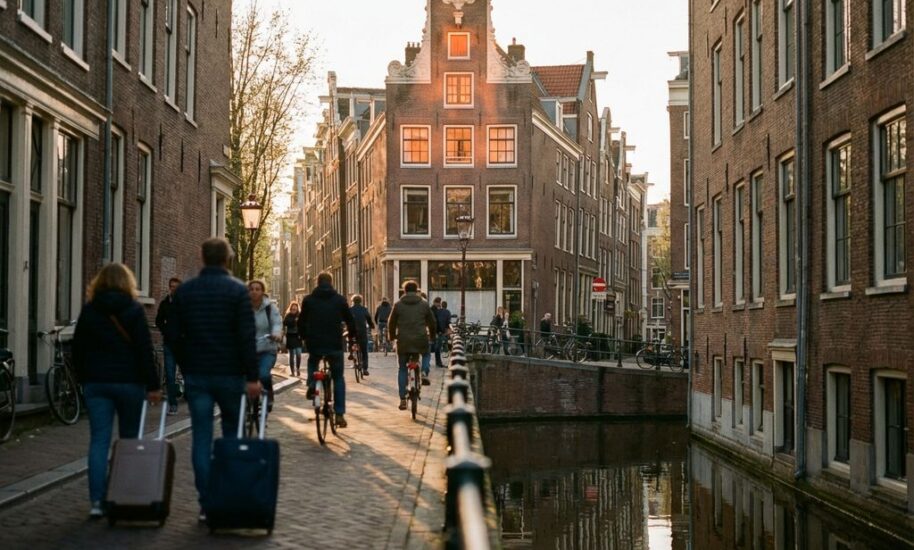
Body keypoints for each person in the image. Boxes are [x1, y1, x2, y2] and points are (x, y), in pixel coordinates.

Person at [164, 238, 260, 523]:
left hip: (198, 377)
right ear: (227, 258)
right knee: (232, 435)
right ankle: (228, 497)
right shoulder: (237, 291)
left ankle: (206, 502)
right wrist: (252, 376)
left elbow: (174, 336)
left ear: (202, 257)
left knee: (201, 438)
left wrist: (186, 364)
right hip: (230, 376)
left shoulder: (186, 292)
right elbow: (246, 337)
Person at [71, 262, 162, 519]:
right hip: (129, 383)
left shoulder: (90, 311)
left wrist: (83, 379)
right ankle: (124, 496)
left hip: (97, 383)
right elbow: (144, 350)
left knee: (99, 441)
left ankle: (97, 502)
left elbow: (78, 349)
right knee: (129, 441)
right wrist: (153, 385)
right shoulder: (134, 310)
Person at [298, 272, 357, 428]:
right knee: (338, 378)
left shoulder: (308, 300)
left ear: (317, 283)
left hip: (314, 343)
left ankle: (312, 383)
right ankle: (339, 414)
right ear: (331, 283)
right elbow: (350, 321)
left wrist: (304, 337)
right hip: (334, 344)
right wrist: (351, 338)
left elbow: (301, 322)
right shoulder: (340, 300)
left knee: (313, 361)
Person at [388, 281, 437, 410]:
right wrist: (432, 336)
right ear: (417, 291)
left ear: (404, 291)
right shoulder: (424, 304)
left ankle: (403, 398)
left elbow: (391, 323)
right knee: (426, 354)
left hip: (403, 341)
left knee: (402, 369)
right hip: (420, 340)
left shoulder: (398, 305)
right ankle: (425, 371)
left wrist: (392, 337)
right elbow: (432, 323)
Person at [249, 279, 282, 411]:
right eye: (251, 289)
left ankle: (269, 396)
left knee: (263, 374)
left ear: (262, 292)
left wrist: (276, 333)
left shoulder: (270, 308)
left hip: (267, 348)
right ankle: (245, 405)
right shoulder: (243, 307)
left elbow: (277, 322)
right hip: (249, 350)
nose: (254, 292)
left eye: (258, 289)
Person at [154, 277, 182, 415]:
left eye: (176, 287)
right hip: (169, 345)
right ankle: (173, 405)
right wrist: (166, 330)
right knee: (170, 376)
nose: (173, 289)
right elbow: (158, 320)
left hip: (183, 346)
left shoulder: (186, 303)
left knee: (189, 376)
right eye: (172, 286)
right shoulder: (165, 303)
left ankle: (193, 402)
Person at [349, 294, 375, 376]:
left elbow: (344, 319)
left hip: (353, 332)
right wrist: (372, 326)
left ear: (352, 301)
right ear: (361, 301)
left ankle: (351, 352)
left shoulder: (349, 310)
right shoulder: (364, 309)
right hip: (362, 332)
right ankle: (365, 369)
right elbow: (369, 319)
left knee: (350, 340)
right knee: (364, 351)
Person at [283, 302, 303, 377]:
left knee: (298, 354)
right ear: (291, 308)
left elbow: (303, 325)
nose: (294, 309)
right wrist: (294, 321)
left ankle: (297, 368)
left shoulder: (300, 315)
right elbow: (285, 323)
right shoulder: (288, 316)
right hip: (291, 337)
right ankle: (292, 372)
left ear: (297, 308)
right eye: (293, 308)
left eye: (295, 307)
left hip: (298, 337)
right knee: (292, 355)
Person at [434, 300, 452, 367]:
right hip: (443, 331)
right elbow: (448, 322)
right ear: (446, 306)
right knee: (440, 346)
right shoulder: (448, 312)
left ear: (441, 305)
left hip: (438, 331)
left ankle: (438, 361)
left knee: (437, 346)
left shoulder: (438, 311)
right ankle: (439, 362)